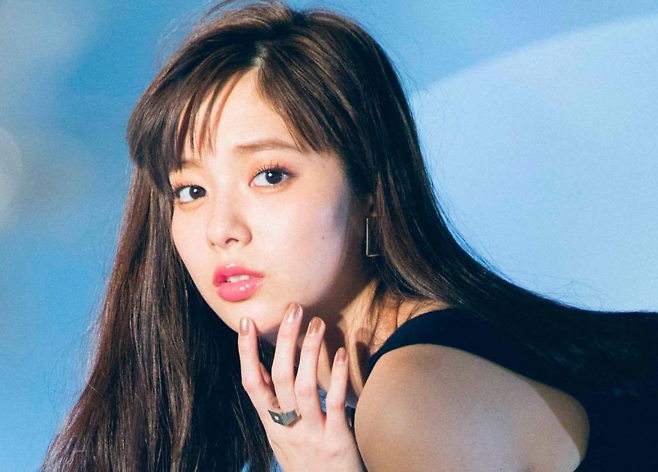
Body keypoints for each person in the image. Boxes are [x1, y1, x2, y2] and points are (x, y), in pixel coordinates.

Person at [41, 0, 658, 471]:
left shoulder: (413, 397)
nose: (222, 230)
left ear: (367, 190)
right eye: (191, 191)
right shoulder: (399, 380)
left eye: (270, 175)